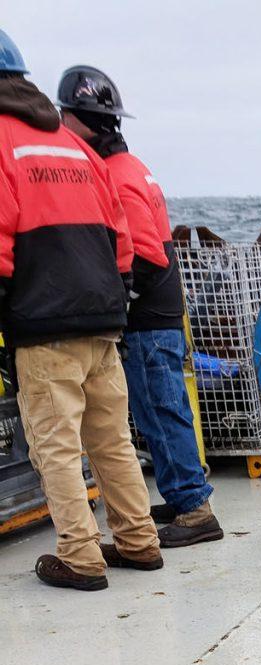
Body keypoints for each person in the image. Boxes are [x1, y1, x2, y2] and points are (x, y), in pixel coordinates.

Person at [0, 31, 161, 590]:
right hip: (103, 320)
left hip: (44, 324)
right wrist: (112, 298)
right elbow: (121, 235)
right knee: (112, 440)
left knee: (58, 446)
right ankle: (139, 541)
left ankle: (81, 557)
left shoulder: (1, 142)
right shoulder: (75, 148)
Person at [57, 65, 221, 549]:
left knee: (159, 410)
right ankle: (182, 494)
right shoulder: (135, 167)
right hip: (165, 311)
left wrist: (114, 300)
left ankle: (194, 509)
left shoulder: (113, 175)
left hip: (148, 316)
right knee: (162, 408)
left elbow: (145, 255)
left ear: (81, 120)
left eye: (66, 116)